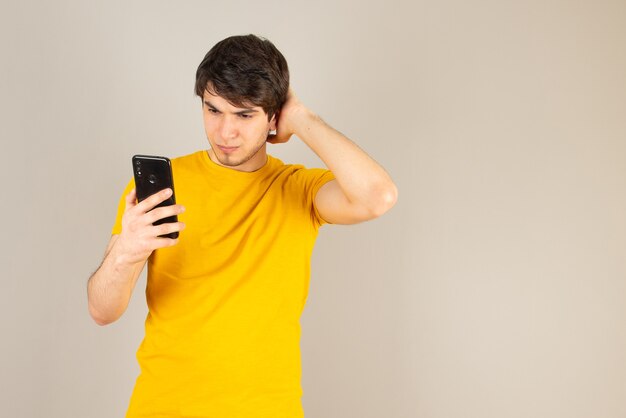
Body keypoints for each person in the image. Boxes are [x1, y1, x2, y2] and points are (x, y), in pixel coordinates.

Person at [87, 34, 397, 418]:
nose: (225, 132)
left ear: (273, 116)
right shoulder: (158, 189)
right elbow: (102, 310)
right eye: (213, 110)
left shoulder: (298, 190)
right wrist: (126, 250)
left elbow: (378, 196)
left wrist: (301, 118)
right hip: (163, 407)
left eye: (245, 114)